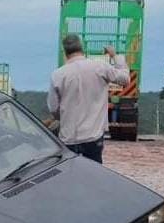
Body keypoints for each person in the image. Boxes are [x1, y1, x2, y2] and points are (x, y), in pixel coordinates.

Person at [46, 35, 129, 164]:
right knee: (93, 177)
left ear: (65, 51)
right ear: (82, 48)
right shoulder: (100, 67)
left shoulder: (57, 75)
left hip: (68, 139)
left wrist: (64, 117)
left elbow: (53, 108)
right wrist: (115, 56)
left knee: (69, 177)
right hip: (93, 138)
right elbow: (124, 79)